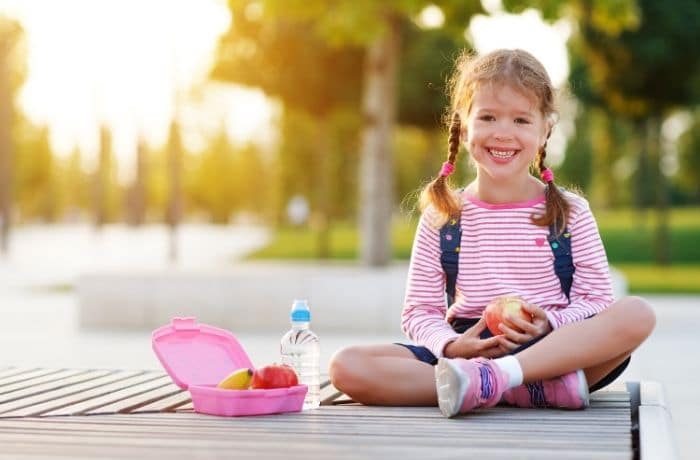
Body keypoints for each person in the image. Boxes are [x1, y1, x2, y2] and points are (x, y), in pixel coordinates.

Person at [328, 48, 655, 417]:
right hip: (469, 346)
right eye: (488, 117)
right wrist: (451, 346)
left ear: (546, 127)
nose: (503, 134)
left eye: (521, 120)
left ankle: (496, 379)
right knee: (346, 366)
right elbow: (421, 311)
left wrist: (550, 321)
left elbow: (595, 300)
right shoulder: (443, 216)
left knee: (637, 314)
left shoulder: (570, 212)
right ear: (464, 126)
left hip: (552, 348)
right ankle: (513, 388)